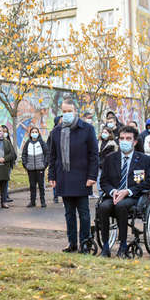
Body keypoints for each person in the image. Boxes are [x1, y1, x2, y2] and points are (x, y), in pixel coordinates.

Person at [48, 96, 99, 253]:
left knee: (84, 213)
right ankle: (72, 242)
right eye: (64, 112)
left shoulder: (87, 129)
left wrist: (92, 176)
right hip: (64, 177)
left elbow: (93, 155)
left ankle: (85, 242)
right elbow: (52, 156)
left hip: (82, 178)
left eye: (69, 111)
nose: (67, 114)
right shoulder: (56, 131)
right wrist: (52, 176)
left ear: (75, 111)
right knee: (69, 213)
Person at [99, 126, 150, 257]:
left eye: (128, 139)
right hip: (113, 195)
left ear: (134, 142)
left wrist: (127, 191)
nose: (124, 141)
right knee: (103, 207)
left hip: (133, 196)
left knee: (121, 206)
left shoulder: (144, 160)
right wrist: (113, 191)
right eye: (122, 138)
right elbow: (104, 181)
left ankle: (123, 244)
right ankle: (105, 245)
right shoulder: (110, 158)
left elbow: (148, 182)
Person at [21, 126, 49, 207]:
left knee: (41, 185)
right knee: (32, 186)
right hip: (31, 168)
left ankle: (43, 201)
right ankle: (32, 202)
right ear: (30, 134)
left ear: (38, 133)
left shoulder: (42, 142)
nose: (34, 134)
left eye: (36, 132)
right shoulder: (27, 143)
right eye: (33, 132)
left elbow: (47, 154)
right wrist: (25, 165)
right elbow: (24, 154)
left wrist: (44, 164)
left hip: (40, 168)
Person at [97, 127, 118, 196]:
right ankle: (101, 195)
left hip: (108, 165)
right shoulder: (99, 142)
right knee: (99, 180)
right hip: (99, 165)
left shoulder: (112, 143)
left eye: (106, 132)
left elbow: (110, 155)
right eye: (103, 132)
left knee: (107, 180)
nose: (104, 134)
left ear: (109, 134)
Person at [48, 116, 62, 203]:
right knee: (55, 178)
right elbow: (49, 146)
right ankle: (55, 195)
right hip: (56, 158)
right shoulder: (53, 133)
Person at [1, 125, 14, 203]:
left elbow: (12, 153)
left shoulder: (8, 141)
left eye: (6, 131)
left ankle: (6, 195)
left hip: (8, 164)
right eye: (3, 131)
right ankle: (3, 196)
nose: (5, 133)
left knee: (6, 180)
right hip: (0, 164)